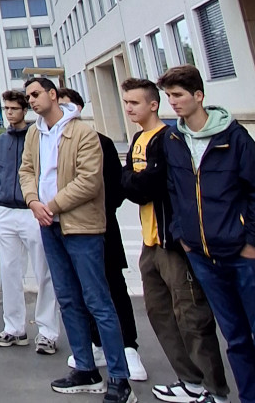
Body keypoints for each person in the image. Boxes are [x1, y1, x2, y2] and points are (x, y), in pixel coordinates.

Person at [159, 65, 255, 403]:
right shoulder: (173, 139)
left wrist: (254, 242)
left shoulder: (234, 137)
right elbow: (174, 192)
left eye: (178, 95)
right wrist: (184, 236)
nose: (172, 103)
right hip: (203, 257)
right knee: (235, 339)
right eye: (168, 97)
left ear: (198, 95)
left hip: (242, 256)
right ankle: (251, 398)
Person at [18, 77, 134, 403]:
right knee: (67, 298)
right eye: (28, 96)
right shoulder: (35, 133)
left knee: (98, 300)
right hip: (48, 225)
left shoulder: (82, 132)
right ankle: (85, 368)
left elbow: (89, 181)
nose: (32, 101)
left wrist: (51, 205)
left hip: (80, 226)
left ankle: (119, 377)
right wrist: (33, 202)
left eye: (36, 94)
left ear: (53, 95)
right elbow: (27, 170)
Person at [119, 78, 229, 403]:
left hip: (173, 244)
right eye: (126, 103)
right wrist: (132, 182)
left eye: (134, 103)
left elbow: (147, 186)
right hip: (149, 243)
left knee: (191, 316)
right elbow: (128, 181)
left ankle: (215, 391)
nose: (128, 108)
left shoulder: (170, 138)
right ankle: (190, 381)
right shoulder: (138, 138)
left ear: (153, 105)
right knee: (159, 312)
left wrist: (132, 182)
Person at [59, 88, 148, 382]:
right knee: (79, 290)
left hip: (101, 227)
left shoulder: (101, 142)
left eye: (67, 105)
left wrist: (90, 210)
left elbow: (115, 187)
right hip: (65, 230)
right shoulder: (52, 144)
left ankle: (127, 347)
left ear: (80, 108)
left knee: (111, 286)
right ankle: (95, 344)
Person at [0, 90, 60, 355]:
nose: (9, 113)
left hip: (33, 210)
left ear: (24, 111)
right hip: (6, 210)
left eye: (14, 109)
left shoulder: (38, 137)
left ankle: (48, 331)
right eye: (6, 108)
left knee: (44, 272)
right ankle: (14, 327)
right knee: (9, 271)